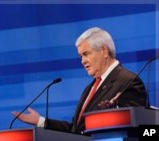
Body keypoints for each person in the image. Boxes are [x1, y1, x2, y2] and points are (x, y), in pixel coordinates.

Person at [12, 27, 147, 135]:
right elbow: (76, 131)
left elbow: (136, 128)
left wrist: (114, 112)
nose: (82, 61)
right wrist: (41, 121)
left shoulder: (128, 81)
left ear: (104, 51)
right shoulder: (89, 88)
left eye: (86, 54)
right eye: (80, 56)